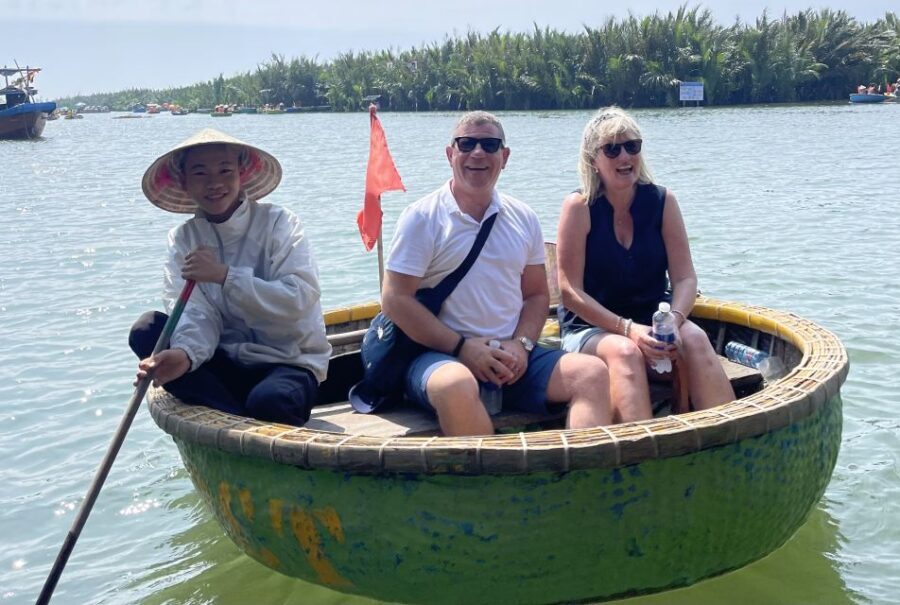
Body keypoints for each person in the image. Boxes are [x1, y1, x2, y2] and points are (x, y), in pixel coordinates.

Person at [379, 111, 615, 437]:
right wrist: (463, 348)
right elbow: (395, 300)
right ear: (450, 154)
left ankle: (583, 479)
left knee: (591, 374)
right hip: (439, 356)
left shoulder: (524, 218)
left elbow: (535, 296)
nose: (478, 153)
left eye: (489, 145)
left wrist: (521, 344)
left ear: (504, 157)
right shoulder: (421, 218)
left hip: (511, 355)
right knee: (456, 384)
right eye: (467, 144)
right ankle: (489, 485)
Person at [129, 128, 330, 426]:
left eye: (225, 171)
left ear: (241, 173)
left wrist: (225, 276)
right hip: (223, 362)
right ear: (183, 181)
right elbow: (196, 315)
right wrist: (186, 355)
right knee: (147, 330)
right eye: (200, 173)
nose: (214, 183)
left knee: (270, 402)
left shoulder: (279, 223)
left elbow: (297, 300)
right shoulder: (184, 239)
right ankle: (239, 417)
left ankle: (234, 415)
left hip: (287, 361)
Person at [556, 106, 734, 416]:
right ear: (593, 160)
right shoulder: (579, 207)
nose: (624, 157)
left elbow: (685, 279)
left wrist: (675, 321)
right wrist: (628, 330)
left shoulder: (663, 202)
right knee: (625, 353)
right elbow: (569, 292)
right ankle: (639, 455)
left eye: (632, 146)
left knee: (696, 339)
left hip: (654, 320)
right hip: (590, 328)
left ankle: (731, 440)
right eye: (612, 149)